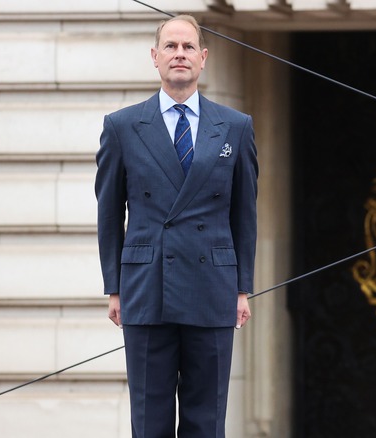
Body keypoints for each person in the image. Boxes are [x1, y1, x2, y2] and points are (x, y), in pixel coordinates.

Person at [95, 14, 258, 438]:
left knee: (207, 421)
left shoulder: (236, 127)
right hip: (148, 289)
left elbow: (245, 213)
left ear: (203, 58)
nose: (179, 55)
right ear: (155, 57)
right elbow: (110, 212)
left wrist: (243, 288)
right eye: (171, 46)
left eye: (188, 47)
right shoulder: (122, 126)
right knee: (149, 421)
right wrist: (114, 287)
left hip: (214, 288)